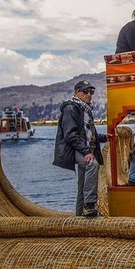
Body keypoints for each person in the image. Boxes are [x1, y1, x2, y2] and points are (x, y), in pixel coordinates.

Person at [52, 80, 107, 217]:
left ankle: (79, 217)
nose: (89, 94)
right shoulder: (71, 108)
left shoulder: (85, 109)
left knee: (82, 185)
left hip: (83, 149)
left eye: (91, 92)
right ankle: (89, 205)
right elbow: (70, 134)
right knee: (92, 164)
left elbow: (89, 134)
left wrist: (106, 137)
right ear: (77, 93)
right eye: (85, 91)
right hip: (74, 150)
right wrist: (86, 152)